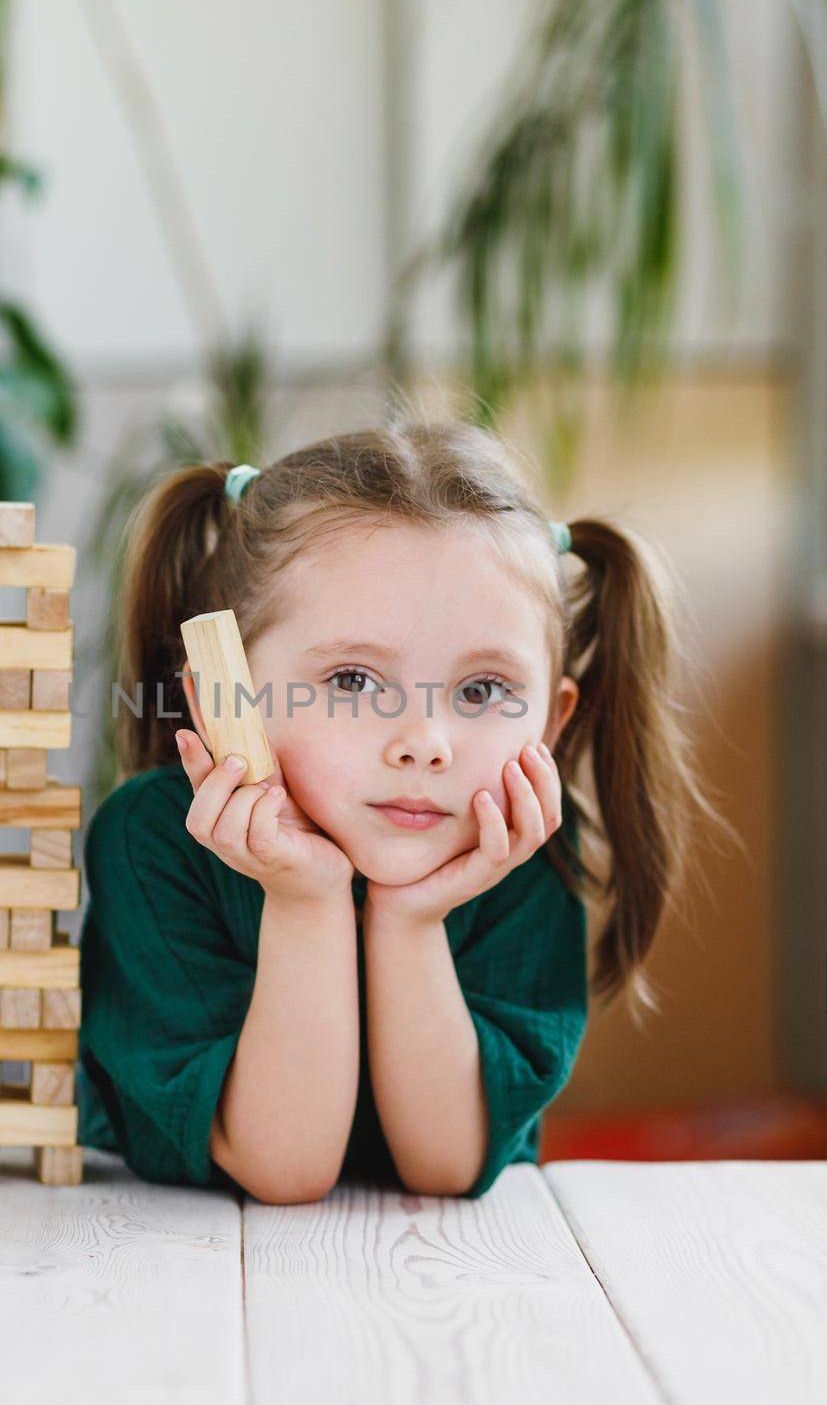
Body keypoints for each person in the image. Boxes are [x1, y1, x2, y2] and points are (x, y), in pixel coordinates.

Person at [76, 403, 731, 1204]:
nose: (424, 741)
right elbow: (283, 1168)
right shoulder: (154, 841)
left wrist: (409, 917)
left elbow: (445, 1167)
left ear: (553, 722)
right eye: (352, 680)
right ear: (221, 698)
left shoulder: (520, 858)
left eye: (483, 689)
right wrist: (305, 901)